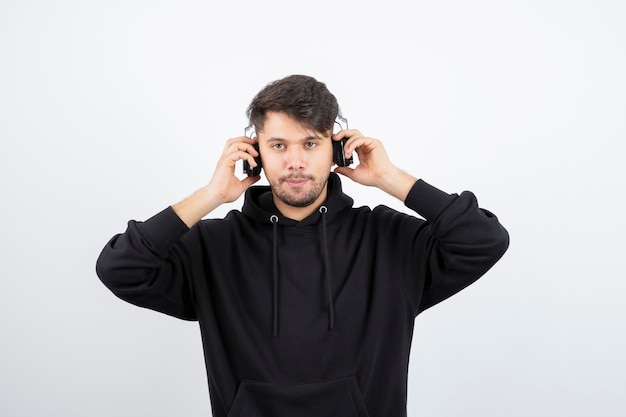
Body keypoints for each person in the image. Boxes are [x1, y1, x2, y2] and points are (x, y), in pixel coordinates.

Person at [96, 74, 509, 417]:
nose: (295, 161)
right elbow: (121, 268)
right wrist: (210, 196)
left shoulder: (390, 241)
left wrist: (390, 178)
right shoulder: (212, 247)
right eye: (278, 145)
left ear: (336, 150)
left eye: (310, 143)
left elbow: (483, 240)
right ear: (254, 152)